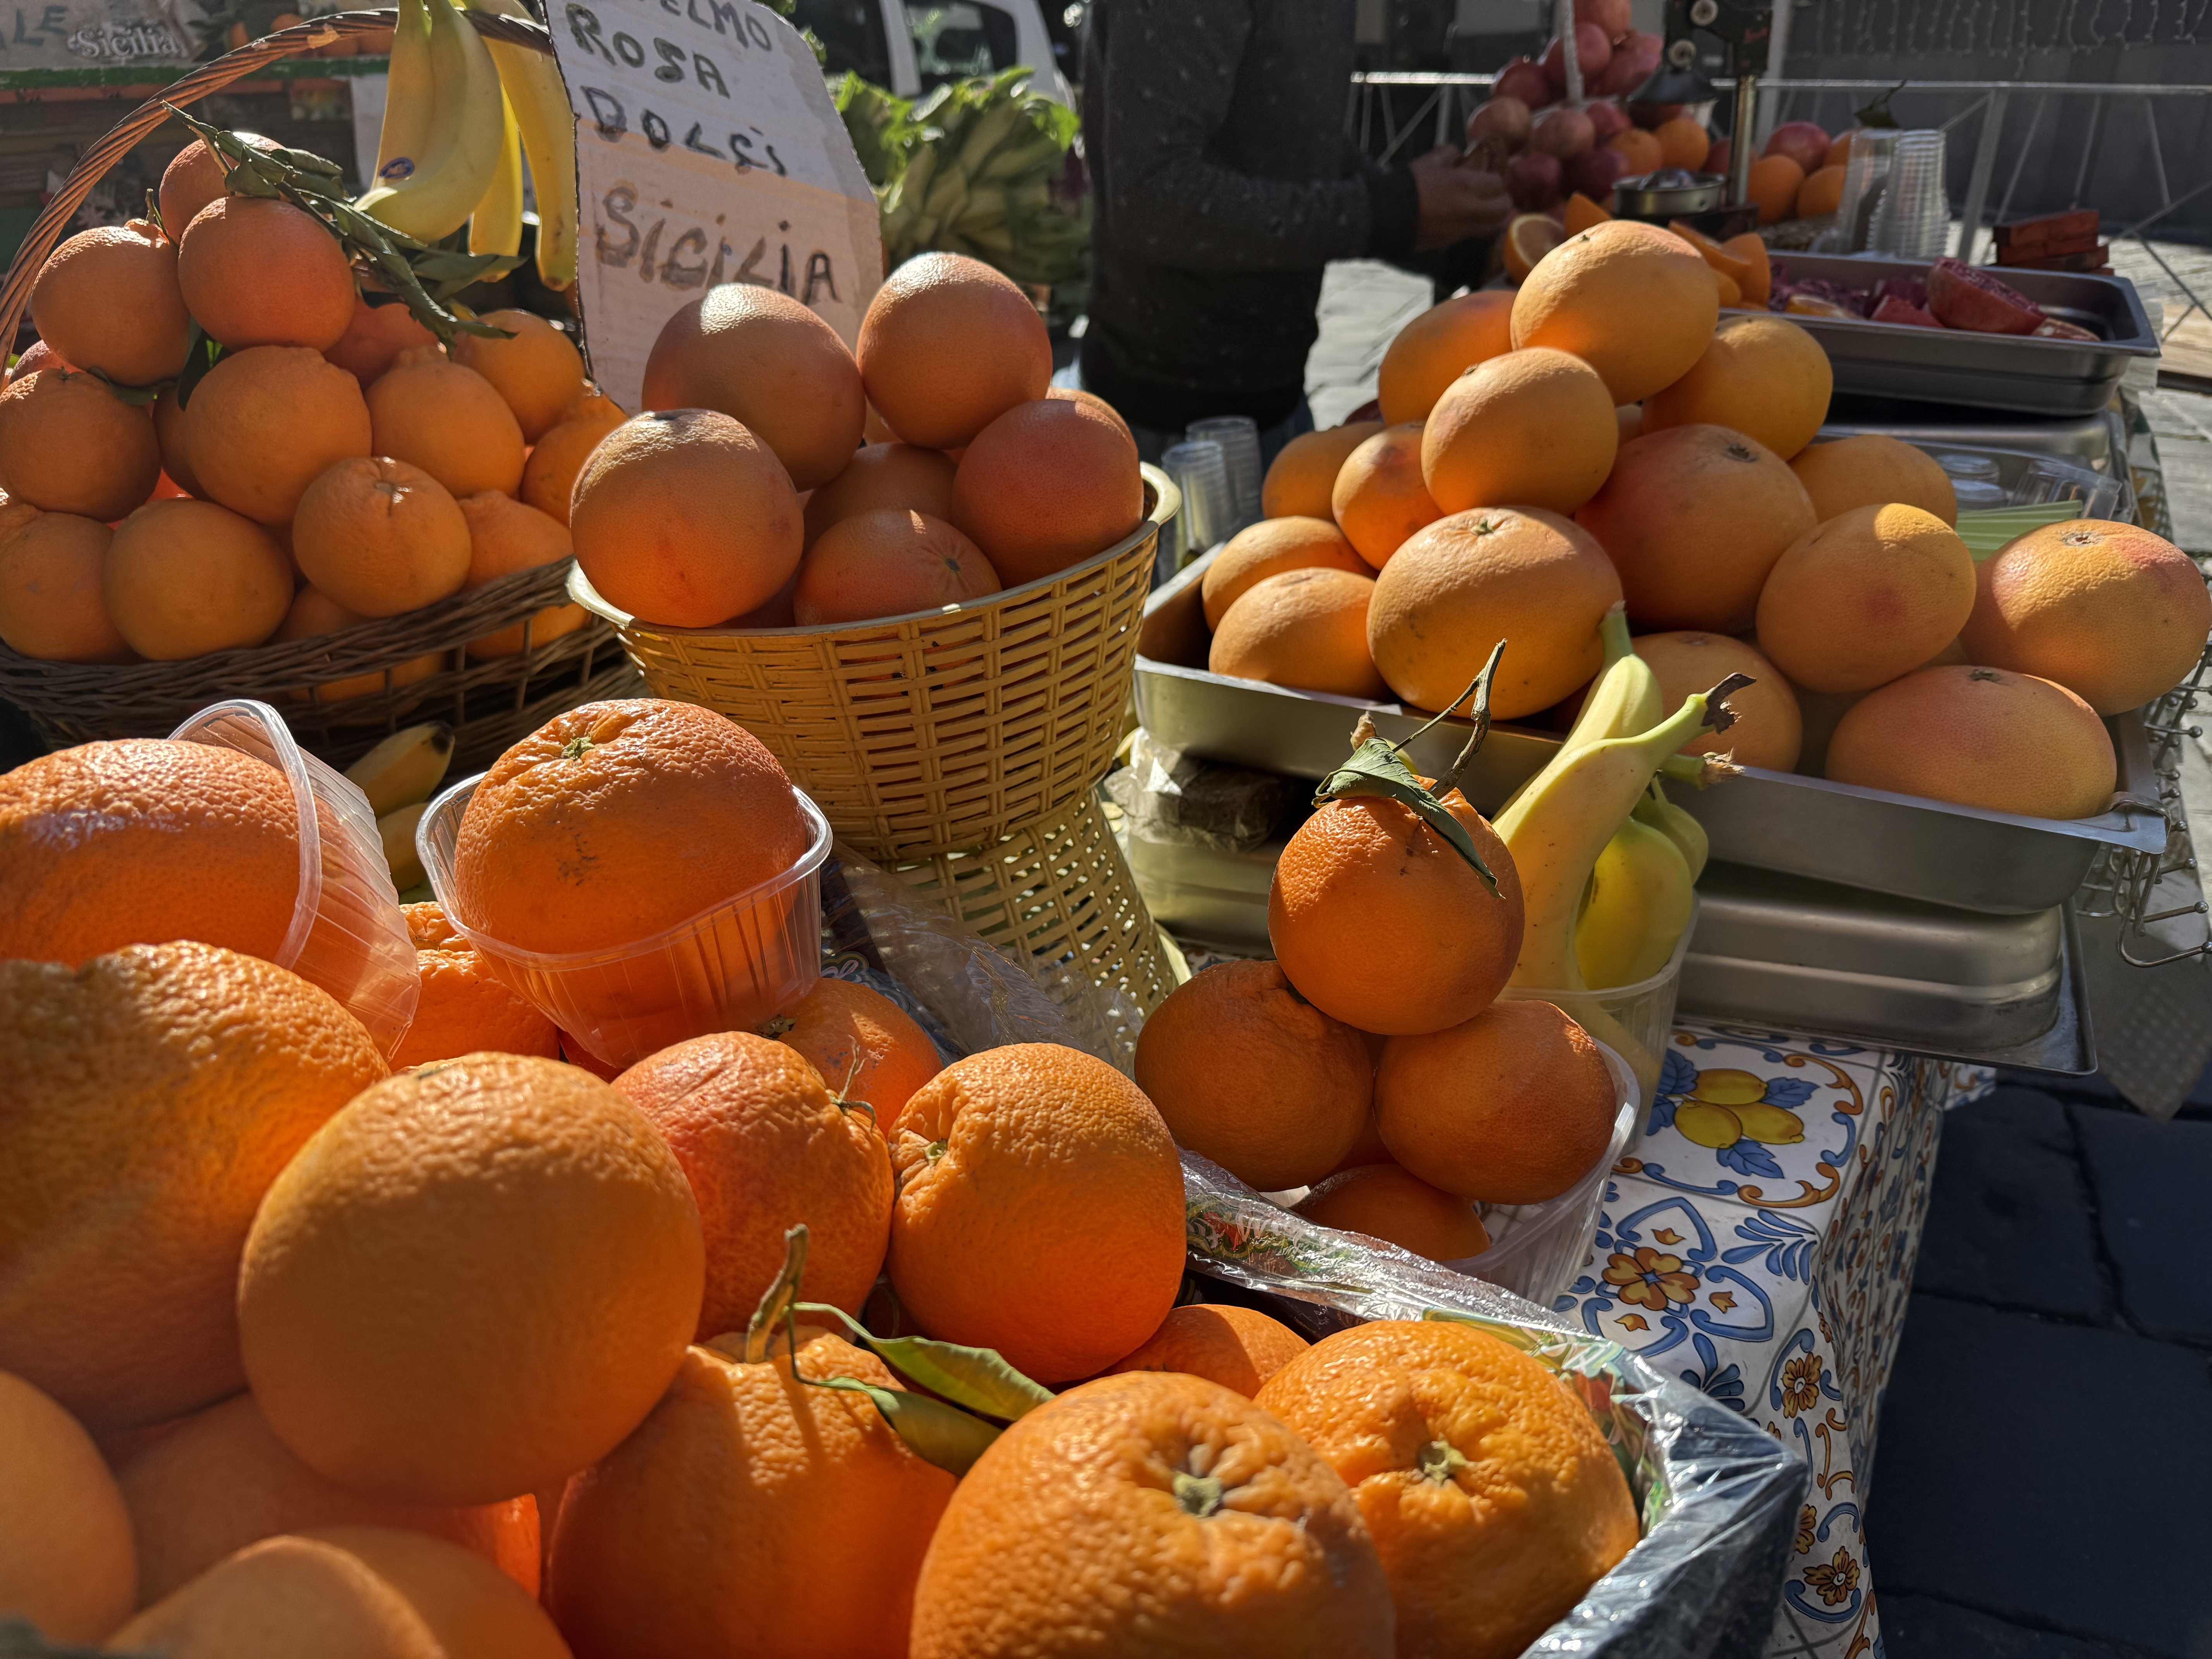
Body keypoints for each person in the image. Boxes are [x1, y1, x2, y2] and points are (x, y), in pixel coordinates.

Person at [1077, 0, 1511, 465]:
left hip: (1279, 402)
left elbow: (1301, 150)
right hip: (1168, 430)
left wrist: (1457, 237)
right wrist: (1396, 209)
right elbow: (1153, 199)